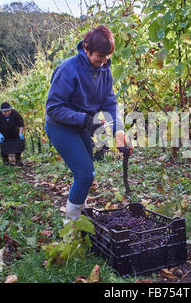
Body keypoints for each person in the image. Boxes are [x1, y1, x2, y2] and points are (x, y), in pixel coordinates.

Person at [44, 25, 128, 224]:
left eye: (108, 56)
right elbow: (53, 108)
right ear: (87, 49)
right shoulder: (68, 69)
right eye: (100, 55)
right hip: (60, 127)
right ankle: (71, 226)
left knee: (86, 172)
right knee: (85, 174)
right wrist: (85, 119)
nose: (104, 60)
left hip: (81, 126)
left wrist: (119, 130)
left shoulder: (104, 70)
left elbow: (109, 102)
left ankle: (82, 216)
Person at [0, 102, 25, 166]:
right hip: (3, 134)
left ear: (10, 110)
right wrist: (0, 135)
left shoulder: (15, 113)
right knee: (4, 147)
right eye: (5, 112)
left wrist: (20, 133)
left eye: (8, 111)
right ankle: (6, 161)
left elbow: (21, 124)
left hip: (15, 133)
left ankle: (18, 160)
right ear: (1, 111)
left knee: (18, 145)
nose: (7, 113)